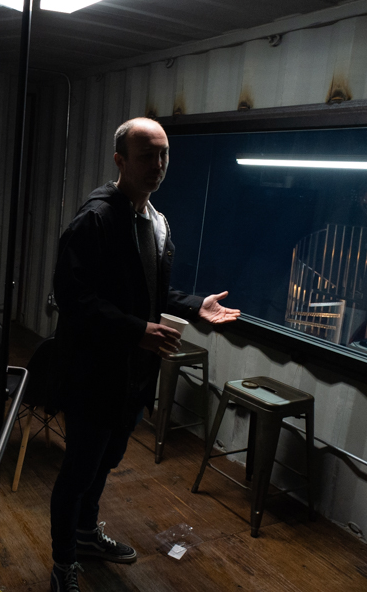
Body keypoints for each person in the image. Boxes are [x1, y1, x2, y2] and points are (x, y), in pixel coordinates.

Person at [49, 118, 240, 592]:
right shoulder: (95, 219)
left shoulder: (156, 221)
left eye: (164, 155)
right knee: (78, 471)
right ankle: (62, 563)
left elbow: (149, 291)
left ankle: (86, 534)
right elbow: (72, 297)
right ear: (120, 161)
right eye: (146, 156)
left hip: (133, 375)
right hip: (94, 372)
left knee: (107, 459)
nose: (158, 166)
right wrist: (136, 331)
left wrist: (195, 305)